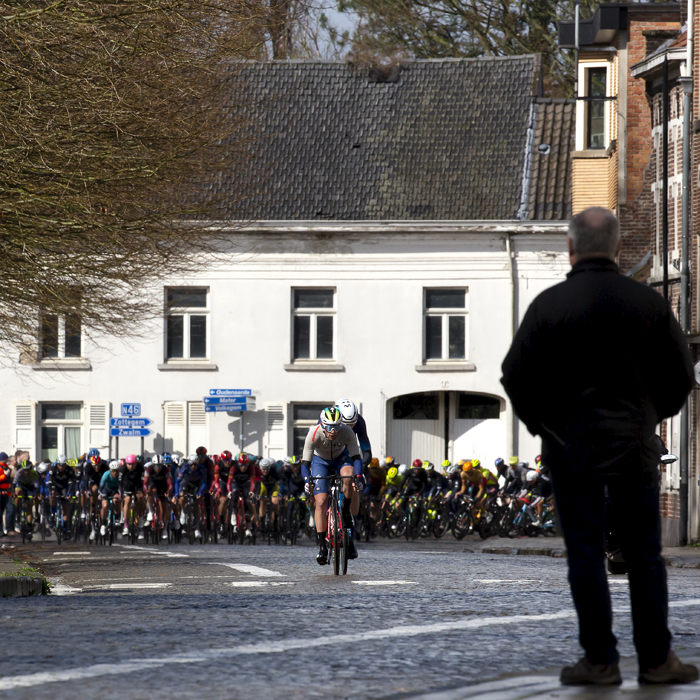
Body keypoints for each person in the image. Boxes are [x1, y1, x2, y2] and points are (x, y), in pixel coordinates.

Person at [501, 206, 698, 686]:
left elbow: (515, 375)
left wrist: (545, 428)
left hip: (574, 451)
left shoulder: (550, 306)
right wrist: (652, 418)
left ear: (571, 248)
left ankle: (600, 660)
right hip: (634, 448)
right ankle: (656, 660)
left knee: (585, 554)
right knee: (645, 556)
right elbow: (681, 375)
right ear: (615, 248)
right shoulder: (647, 304)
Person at [301, 407, 363, 565]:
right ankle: (322, 547)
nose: (333, 431)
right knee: (321, 502)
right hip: (320, 461)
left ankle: (346, 511)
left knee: (348, 478)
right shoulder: (313, 434)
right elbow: (305, 464)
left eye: (336, 427)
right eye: (330, 427)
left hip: (341, 458)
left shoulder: (347, 431)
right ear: (322, 425)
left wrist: (358, 476)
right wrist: (307, 480)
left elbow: (356, 457)